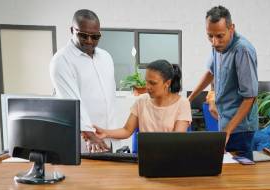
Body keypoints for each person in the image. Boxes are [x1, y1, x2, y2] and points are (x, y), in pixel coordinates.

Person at [188, 5, 258, 160]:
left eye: (219, 36)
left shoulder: (243, 51)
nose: (214, 42)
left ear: (231, 28)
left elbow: (250, 98)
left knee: (240, 177)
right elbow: (210, 72)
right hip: (224, 121)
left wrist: (228, 131)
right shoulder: (217, 47)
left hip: (240, 129)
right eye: (210, 36)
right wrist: (189, 99)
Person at [50, 9, 116, 152]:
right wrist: (89, 134)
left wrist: (110, 135)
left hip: (106, 137)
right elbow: (71, 101)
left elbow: (110, 98)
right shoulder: (62, 60)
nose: (89, 41)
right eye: (83, 35)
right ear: (72, 30)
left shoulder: (106, 57)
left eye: (95, 36)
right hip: (83, 141)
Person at [93, 59, 192, 139]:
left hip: (170, 158)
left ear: (167, 83)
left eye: (153, 83)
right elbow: (126, 130)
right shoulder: (141, 101)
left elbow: (177, 140)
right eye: (147, 82)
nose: (147, 87)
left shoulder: (182, 103)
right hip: (146, 157)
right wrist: (105, 133)